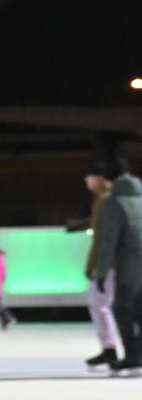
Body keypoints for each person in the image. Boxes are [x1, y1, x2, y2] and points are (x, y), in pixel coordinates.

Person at [89, 159, 142, 373]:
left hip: (129, 263)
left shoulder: (115, 201)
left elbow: (108, 240)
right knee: (139, 309)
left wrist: (101, 272)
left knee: (122, 308)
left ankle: (133, 355)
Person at [79, 157, 127, 369]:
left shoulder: (107, 200)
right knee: (105, 306)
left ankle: (112, 349)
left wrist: (95, 267)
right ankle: (112, 348)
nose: (85, 182)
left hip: (110, 264)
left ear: (99, 178)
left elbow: (103, 238)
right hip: (114, 262)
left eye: (88, 177)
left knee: (101, 305)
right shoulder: (103, 199)